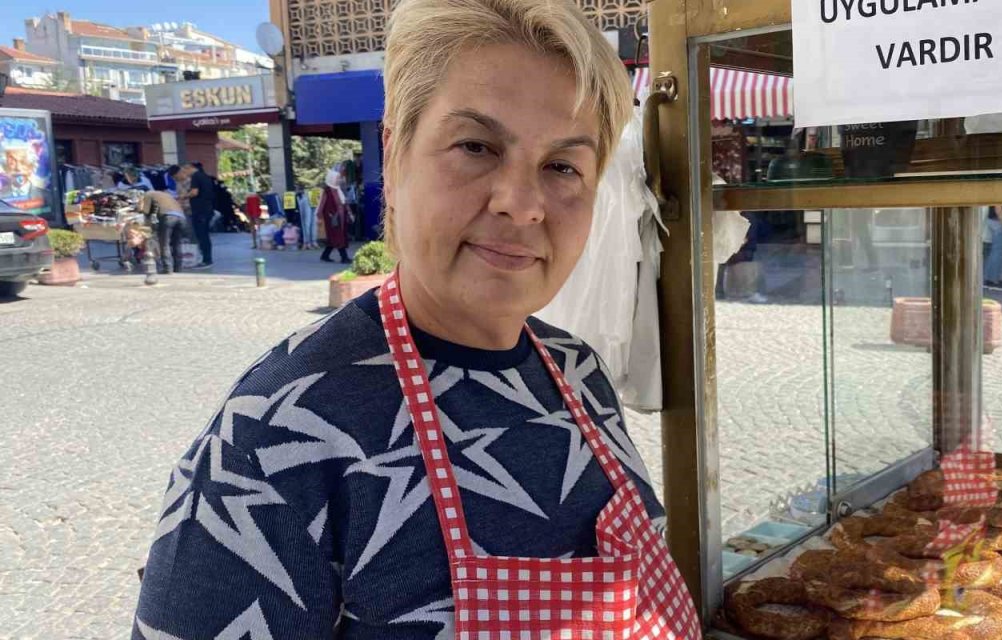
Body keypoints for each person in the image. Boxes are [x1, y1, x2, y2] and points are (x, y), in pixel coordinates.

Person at [131, 1, 699, 638]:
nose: (521, 203)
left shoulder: (578, 370)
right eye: (476, 146)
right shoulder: (275, 435)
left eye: (563, 165)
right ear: (396, 156)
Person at [139, 190, 188, 274]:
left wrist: (140, 208)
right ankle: (178, 267)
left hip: (168, 217)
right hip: (181, 217)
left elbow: (145, 211)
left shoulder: (147, 195)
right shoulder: (165, 195)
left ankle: (167, 268)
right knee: (177, 244)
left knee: (164, 244)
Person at [183, 162, 215, 269]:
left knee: (201, 235)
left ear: (191, 168)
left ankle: (207, 260)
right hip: (207, 209)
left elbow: (194, 192)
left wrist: (184, 196)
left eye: (186, 170)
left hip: (200, 211)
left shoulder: (196, 177)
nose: (185, 173)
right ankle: (207, 258)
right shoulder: (205, 176)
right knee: (204, 235)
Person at [318, 169, 352, 263]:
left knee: (333, 238)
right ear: (331, 179)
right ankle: (344, 257)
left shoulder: (337, 189)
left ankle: (325, 256)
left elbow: (343, 202)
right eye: (337, 178)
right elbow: (322, 204)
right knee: (338, 236)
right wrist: (320, 217)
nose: (338, 180)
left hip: (340, 218)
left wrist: (349, 212)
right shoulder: (327, 190)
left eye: (338, 178)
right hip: (332, 218)